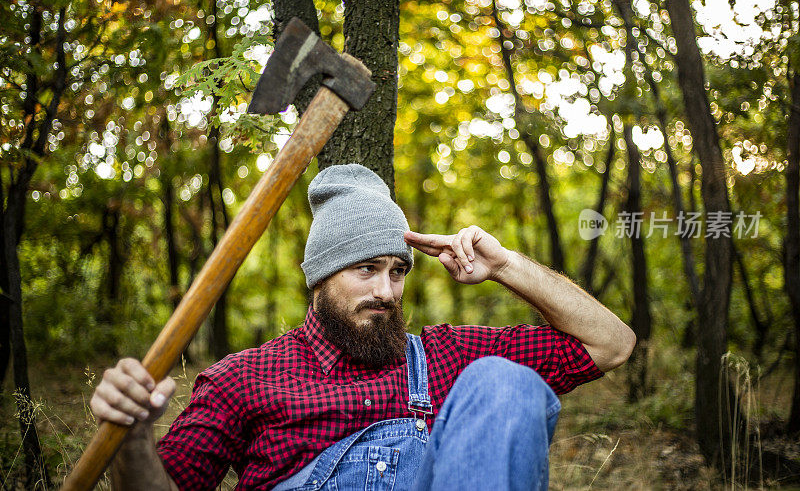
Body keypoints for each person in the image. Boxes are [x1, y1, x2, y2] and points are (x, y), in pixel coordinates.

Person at [91, 163, 636, 491]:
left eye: (397, 270)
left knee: (505, 381)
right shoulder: (244, 379)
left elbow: (611, 343)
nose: (387, 290)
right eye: (365, 269)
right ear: (320, 278)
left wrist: (506, 266)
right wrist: (133, 439)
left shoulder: (446, 356)